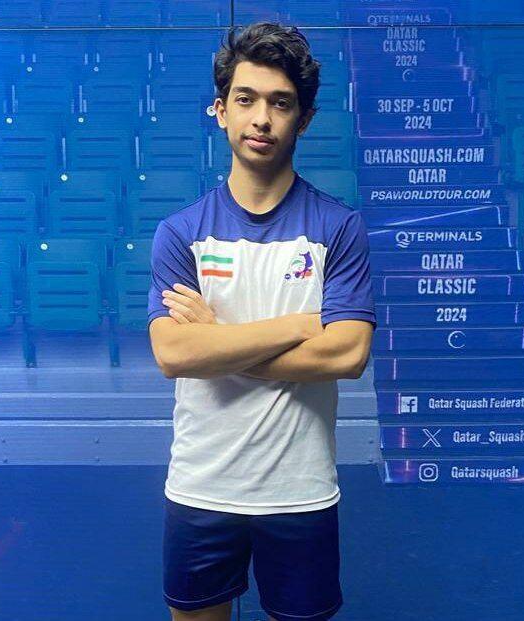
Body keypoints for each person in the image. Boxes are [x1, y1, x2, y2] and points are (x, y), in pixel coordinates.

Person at [147, 21, 376, 621]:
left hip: (299, 491)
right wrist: (299, 325)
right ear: (221, 110)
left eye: (281, 103)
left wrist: (216, 344)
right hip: (201, 487)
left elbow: (348, 354)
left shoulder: (339, 228)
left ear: (304, 119)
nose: (262, 119)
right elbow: (175, 355)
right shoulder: (180, 234)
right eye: (246, 99)